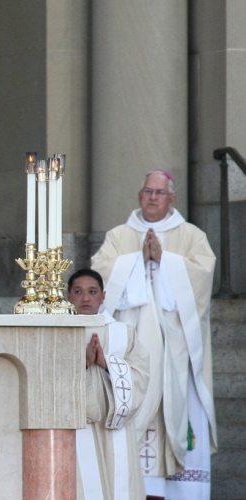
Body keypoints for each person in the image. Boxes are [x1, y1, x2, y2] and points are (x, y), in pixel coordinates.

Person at [91, 170, 217, 499]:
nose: (152, 197)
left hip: (177, 348)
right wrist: (136, 261)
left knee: (177, 406)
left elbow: (203, 276)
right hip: (132, 347)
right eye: (147, 190)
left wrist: (166, 261)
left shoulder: (191, 236)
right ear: (139, 195)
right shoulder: (119, 235)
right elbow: (100, 274)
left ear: (171, 199)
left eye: (159, 193)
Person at [69, 269, 150, 500]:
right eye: (78, 292)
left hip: (115, 426)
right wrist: (82, 364)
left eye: (92, 292)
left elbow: (141, 376)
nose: (85, 298)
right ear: (68, 295)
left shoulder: (123, 333)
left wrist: (108, 364)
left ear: (103, 297)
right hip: (76, 429)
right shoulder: (58, 333)